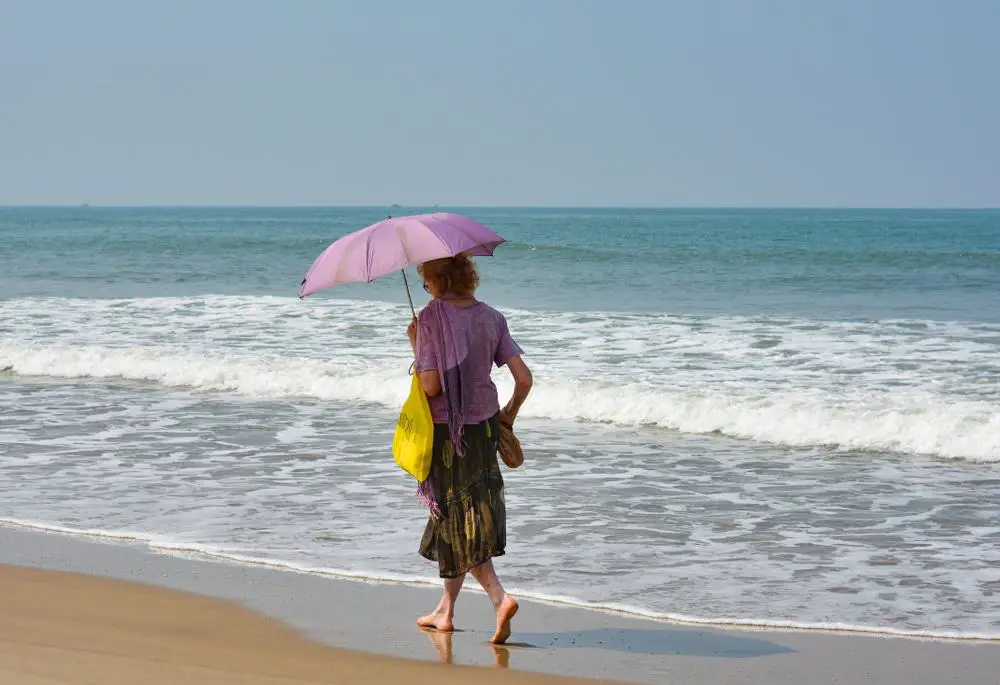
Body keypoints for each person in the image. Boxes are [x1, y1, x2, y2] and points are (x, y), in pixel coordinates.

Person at [405, 254, 533, 645]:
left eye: (427, 281)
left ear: (440, 280)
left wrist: (416, 343)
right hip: (485, 427)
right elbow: (524, 380)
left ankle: (499, 598)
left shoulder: (430, 318)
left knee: (455, 518)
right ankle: (446, 612)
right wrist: (507, 417)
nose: (427, 288)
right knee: (463, 514)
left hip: (449, 433)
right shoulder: (492, 317)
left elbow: (431, 386)